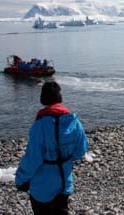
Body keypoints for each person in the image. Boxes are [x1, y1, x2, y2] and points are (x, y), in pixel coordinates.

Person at [15, 81, 89, 215]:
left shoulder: (40, 125)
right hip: (64, 183)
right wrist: (64, 157)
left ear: (42, 98)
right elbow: (81, 150)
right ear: (60, 97)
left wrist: (20, 179)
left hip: (42, 188)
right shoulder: (73, 121)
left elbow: (33, 158)